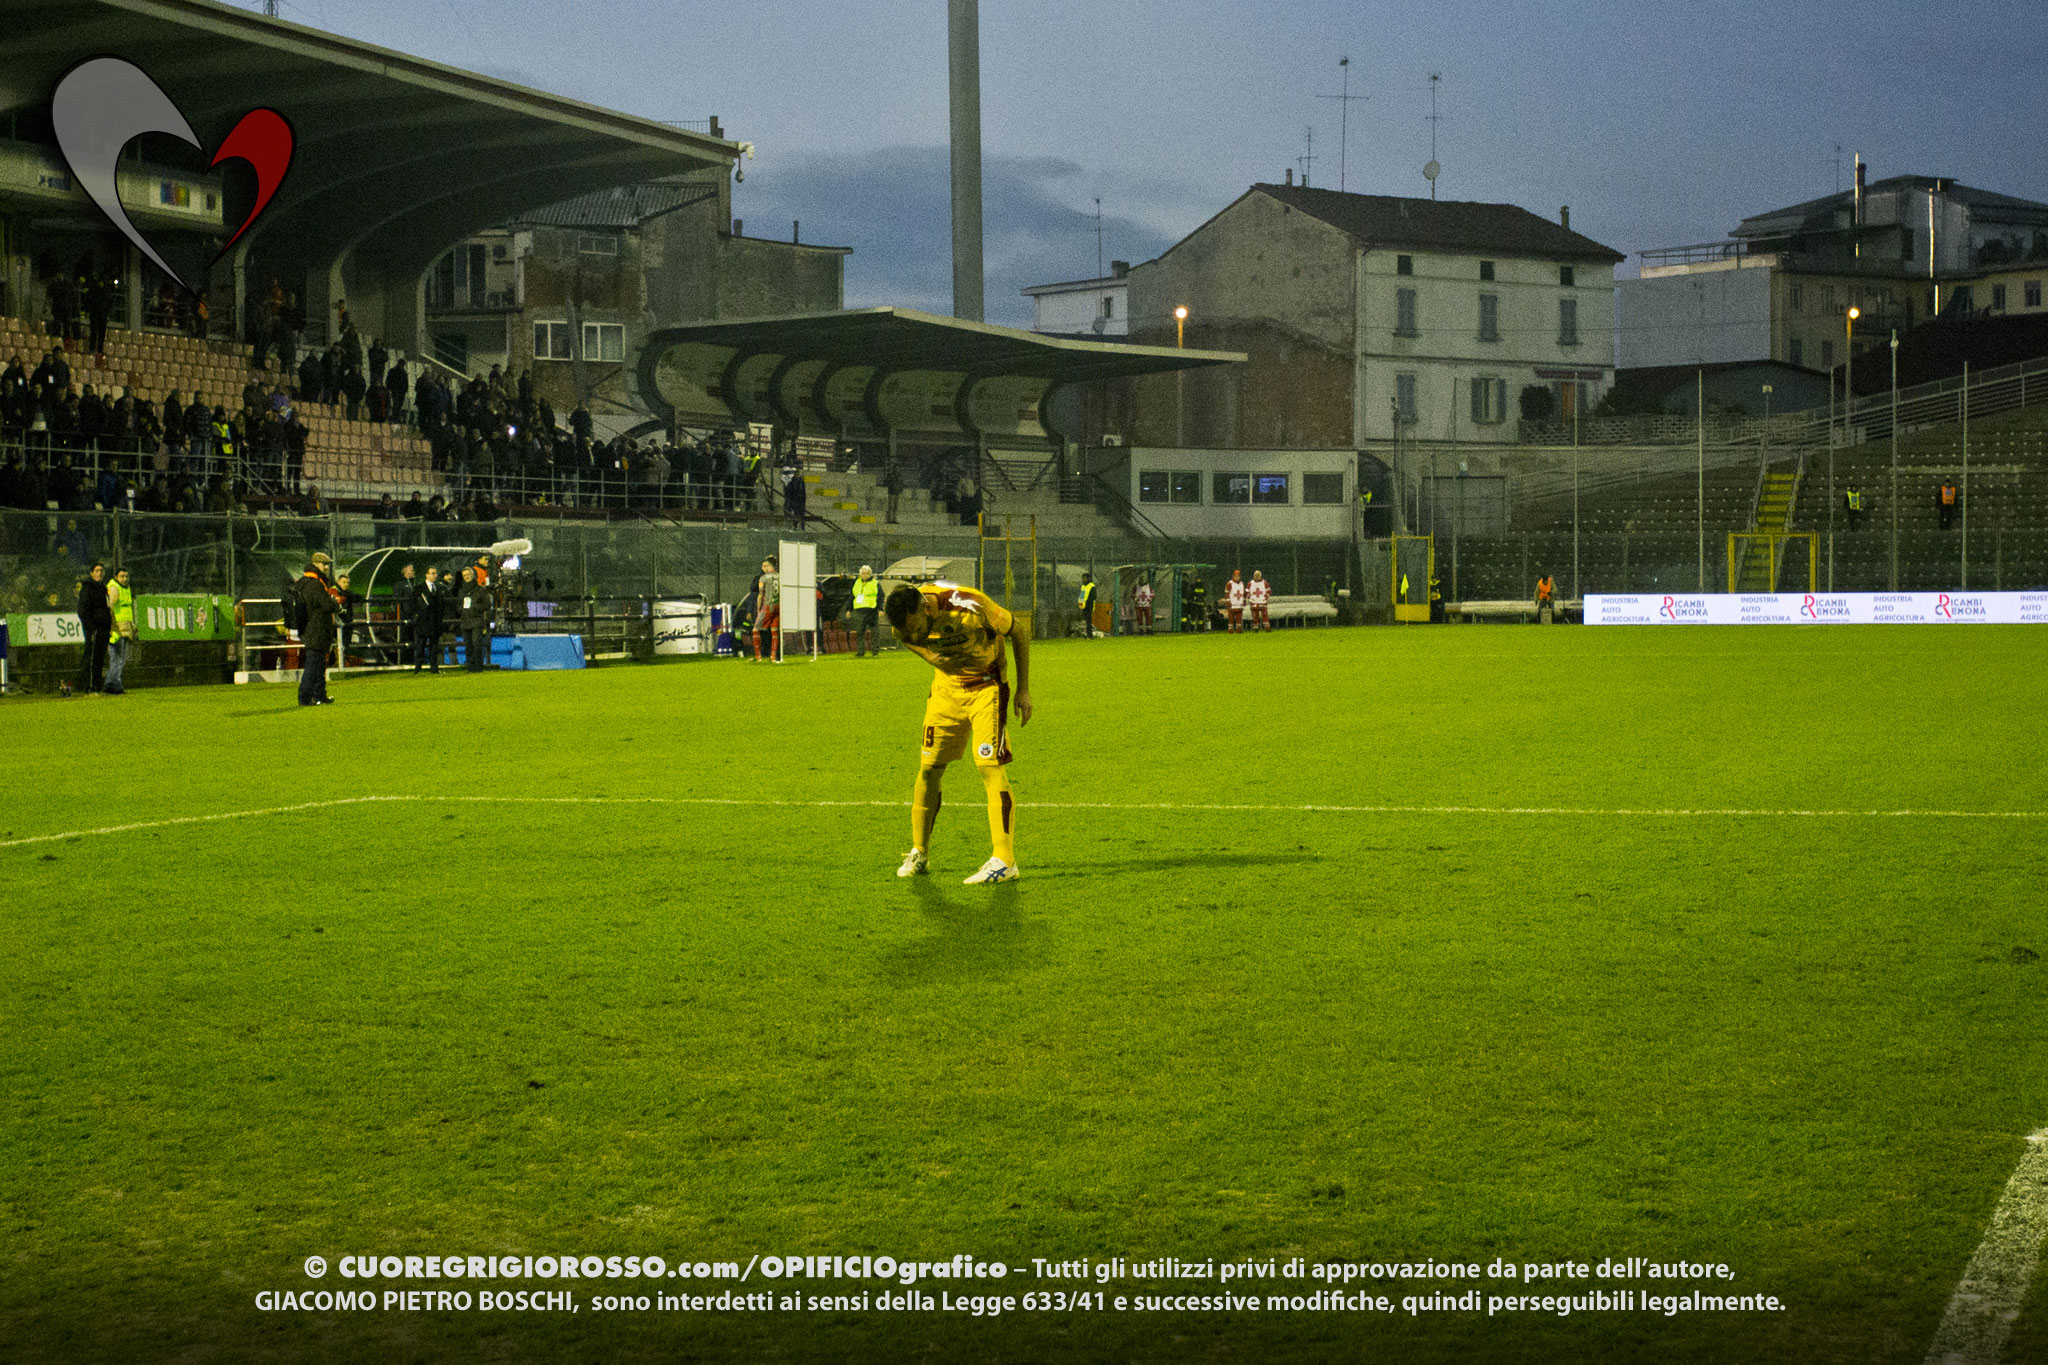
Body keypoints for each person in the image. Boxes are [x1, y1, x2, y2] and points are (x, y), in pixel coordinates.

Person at [885, 579, 1033, 885]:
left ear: (925, 609)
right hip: (946, 691)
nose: (914, 635)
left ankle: (1005, 860)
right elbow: (905, 637)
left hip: (987, 687)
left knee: (988, 765)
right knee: (929, 768)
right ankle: (919, 852)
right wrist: (927, 655)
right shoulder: (903, 620)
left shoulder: (970, 605)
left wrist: (1023, 690)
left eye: (917, 628)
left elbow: (1019, 630)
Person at [295, 551, 341, 706]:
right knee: (313, 665)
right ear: (315, 564)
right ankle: (305, 697)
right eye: (324, 564)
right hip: (317, 628)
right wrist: (335, 604)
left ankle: (320, 695)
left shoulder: (304, 582)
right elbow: (326, 605)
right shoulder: (315, 584)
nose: (326, 567)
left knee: (319, 663)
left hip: (309, 627)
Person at [76, 561, 112, 694]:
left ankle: (97, 686)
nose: (99, 573)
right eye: (96, 571)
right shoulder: (87, 589)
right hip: (93, 630)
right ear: (91, 573)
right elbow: (82, 611)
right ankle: (89, 687)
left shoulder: (103, 588)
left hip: (103, 629)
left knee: (100, 658)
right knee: (91, 658)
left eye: (101, 571)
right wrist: (91, 628)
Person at [103, 566, 135, 694]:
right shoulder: (114, 588)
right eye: (122, 576)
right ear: (116, 577)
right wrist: (112, 627)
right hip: (117, 628)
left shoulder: (125, 588)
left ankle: (110, 684)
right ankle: (115, 685)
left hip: (125, 627)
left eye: (126, 576)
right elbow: (109, 608)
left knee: (119, 659)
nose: (124, 579)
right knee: (117, 659)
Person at [412, 565, 445, 673]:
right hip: (423, 621)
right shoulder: (419, 588)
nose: (435, 575)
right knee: (420, 645)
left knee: (434, 646)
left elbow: (441, 605)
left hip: (435, 622)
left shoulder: (438, 588)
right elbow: (413, 604)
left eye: (435, 573)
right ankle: (418, 667)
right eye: (432, 573)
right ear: (426, 575)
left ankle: (433, 667)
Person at [457, 566, 490, 672]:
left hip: (476, 620)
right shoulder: (462, 591)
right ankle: (471, 667)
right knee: (468, 646)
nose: (467, 577)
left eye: (468, 574)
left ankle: (478, 667)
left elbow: (487, 605)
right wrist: (461, 609)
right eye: (465, 575)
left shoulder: (480, 590)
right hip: (465, 621)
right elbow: (458, 605)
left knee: (476, 644)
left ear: (472, 575)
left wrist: (476, 607)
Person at [751, 556, 782, 662]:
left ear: (769, 566)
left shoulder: (763, 578)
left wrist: (758, 609)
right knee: (774, 631)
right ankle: (773, 657)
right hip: (778, 607)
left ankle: (758, 657)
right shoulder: (780, 576)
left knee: (755, 629)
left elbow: (760, 594)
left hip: (768, 606)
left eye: (765, 566)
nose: (763, 568)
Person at [850, 564, 881, 657]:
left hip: (872, 610)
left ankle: (875, 652)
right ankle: (860, 652)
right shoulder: (857, 583)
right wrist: (848, 609)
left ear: (870, 574)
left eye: (866, 573)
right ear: (860, 574)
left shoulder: (875, 583)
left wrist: (881, 609)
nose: (864, 575)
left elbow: (880, 597)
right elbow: (852, 596)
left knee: (874, 632)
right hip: (859, 610)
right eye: (863, 573)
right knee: (860, 632)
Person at [1224, 569, 1246, 633]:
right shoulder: (1230, 583)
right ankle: (1230, 629)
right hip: (1232, 604)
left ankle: (1238, 629)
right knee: (1231, 618)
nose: (1237, 578)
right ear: (1233, 576)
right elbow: (1227, 592)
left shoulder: (1241, 583)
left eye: (1238, 576)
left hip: (1239, 604)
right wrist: (1228, 600)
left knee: (1239, 618)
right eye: (1235, 576)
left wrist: (1244, 600)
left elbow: (1243, 593)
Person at [1077, 572, 1098, 637]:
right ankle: (1086, 633)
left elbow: (1094, 596)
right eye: (1083, 578)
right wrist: (1081, 603)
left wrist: (1087, 602)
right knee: (1086, 620)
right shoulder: (1083, 586)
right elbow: (1082, 596)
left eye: (1085, 578)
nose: (1083, 579)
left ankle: (1090, 634)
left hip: (1089, 604)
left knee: (1088, 620)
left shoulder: (1091, 586)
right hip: (1083, 605)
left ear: (1088, 578)